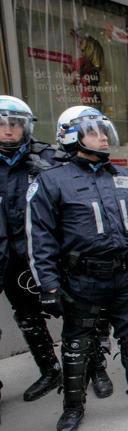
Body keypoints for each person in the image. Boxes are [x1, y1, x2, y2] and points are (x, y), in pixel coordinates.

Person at [27, 106, 128, 431]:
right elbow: (40, 238)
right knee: (77, 343)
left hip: (124, 273)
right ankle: (73, 407)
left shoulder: (124, 177)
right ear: (71, 137)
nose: (103, 136)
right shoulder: (52, 181)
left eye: (104, 131)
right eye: (94, 131)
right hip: (82, 278)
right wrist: (47, 285)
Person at [0, 96, 68, 403]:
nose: (8, 131)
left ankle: (54, 368)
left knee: (33, 312)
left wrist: (49, 173)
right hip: (2, 252)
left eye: (14, 125)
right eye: (1, 125)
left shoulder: (45, 157)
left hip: (32, 253)